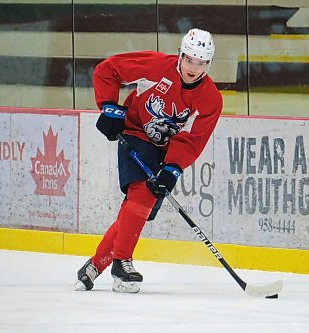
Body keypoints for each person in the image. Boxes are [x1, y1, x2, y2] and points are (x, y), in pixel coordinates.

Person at [75, 28, 222, 293]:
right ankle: (122, 262)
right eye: (189, 59)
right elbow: (108, 70)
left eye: (201, 63)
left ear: (208, 64)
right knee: (141, 195)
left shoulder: (211, 99)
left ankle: (95, 266)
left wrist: (173, 167)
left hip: (166, 150)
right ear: (180, 54)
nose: (193, 67)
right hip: (136, 131)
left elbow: (192, 138)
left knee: (137, 211)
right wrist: (109, 107)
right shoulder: (156, 66)